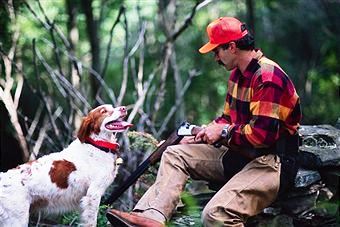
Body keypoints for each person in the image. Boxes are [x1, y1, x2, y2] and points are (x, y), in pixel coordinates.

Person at [107, 16, 302, 227]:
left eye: (217, 51)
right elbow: (227, 119)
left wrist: (224, 132)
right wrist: (203, 134)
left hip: (272, 162)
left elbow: (262, 136)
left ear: (232, 47)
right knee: (174, 154)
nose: (216, 58)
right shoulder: (238, 75)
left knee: (216, 215)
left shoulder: (267, 76)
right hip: (240, 155)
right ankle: (151, 217)